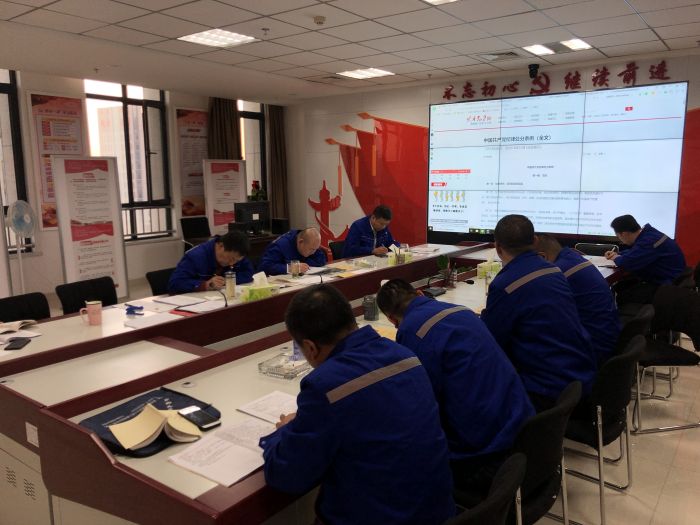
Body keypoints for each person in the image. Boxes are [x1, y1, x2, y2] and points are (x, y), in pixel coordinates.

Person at [259, 285, 455, 525]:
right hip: (438, 512)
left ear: (310, 347)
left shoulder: (325, 386)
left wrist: (284, 431)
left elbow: (287, 475)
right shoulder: (405, 354)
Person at [377, 279, 534, 494]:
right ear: (420, 293)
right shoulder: (461, 311)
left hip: (487, 455)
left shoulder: (412, 332)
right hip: (524, 428)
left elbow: (422, 404)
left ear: (391, 319)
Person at [480, 215, 596, 412]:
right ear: (535, 241)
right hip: (580, 375)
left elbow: (492, 340)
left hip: (545, 388)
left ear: (497, 247)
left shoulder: (505, 284)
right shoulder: (554, 271)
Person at [536, 233, 620, 366]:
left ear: (542, 257)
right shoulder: (572, 257)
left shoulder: (558, 273)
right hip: (606, 336)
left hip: (594, 350)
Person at [605, 215, 686, 305]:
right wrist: (619, 254)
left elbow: (627, 263)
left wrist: (616, 258)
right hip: (667, 278)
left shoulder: (649, 241)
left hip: (667, 284)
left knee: (623, 295)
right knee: (621, 286)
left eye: (618, 236)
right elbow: (636, 252)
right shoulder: (649, 235)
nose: (620, 240)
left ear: (623, 234)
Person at [167, 230, 253, 293]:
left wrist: (227, 280)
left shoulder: (236, 254)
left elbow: (250, 274)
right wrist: (206, 284)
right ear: (221, 246)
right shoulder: (195, 257)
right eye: (231, 259)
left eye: (236, 261)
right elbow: (174, 284)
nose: (232, 264)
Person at [258, 227, 327, 276]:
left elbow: (321, 260)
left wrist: (304, 265)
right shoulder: (280, 245)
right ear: (301, 242)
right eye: (312, 249)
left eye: (316, 249)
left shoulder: (310, 243)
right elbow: (265, 267)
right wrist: (291, 268)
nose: (314, 252)